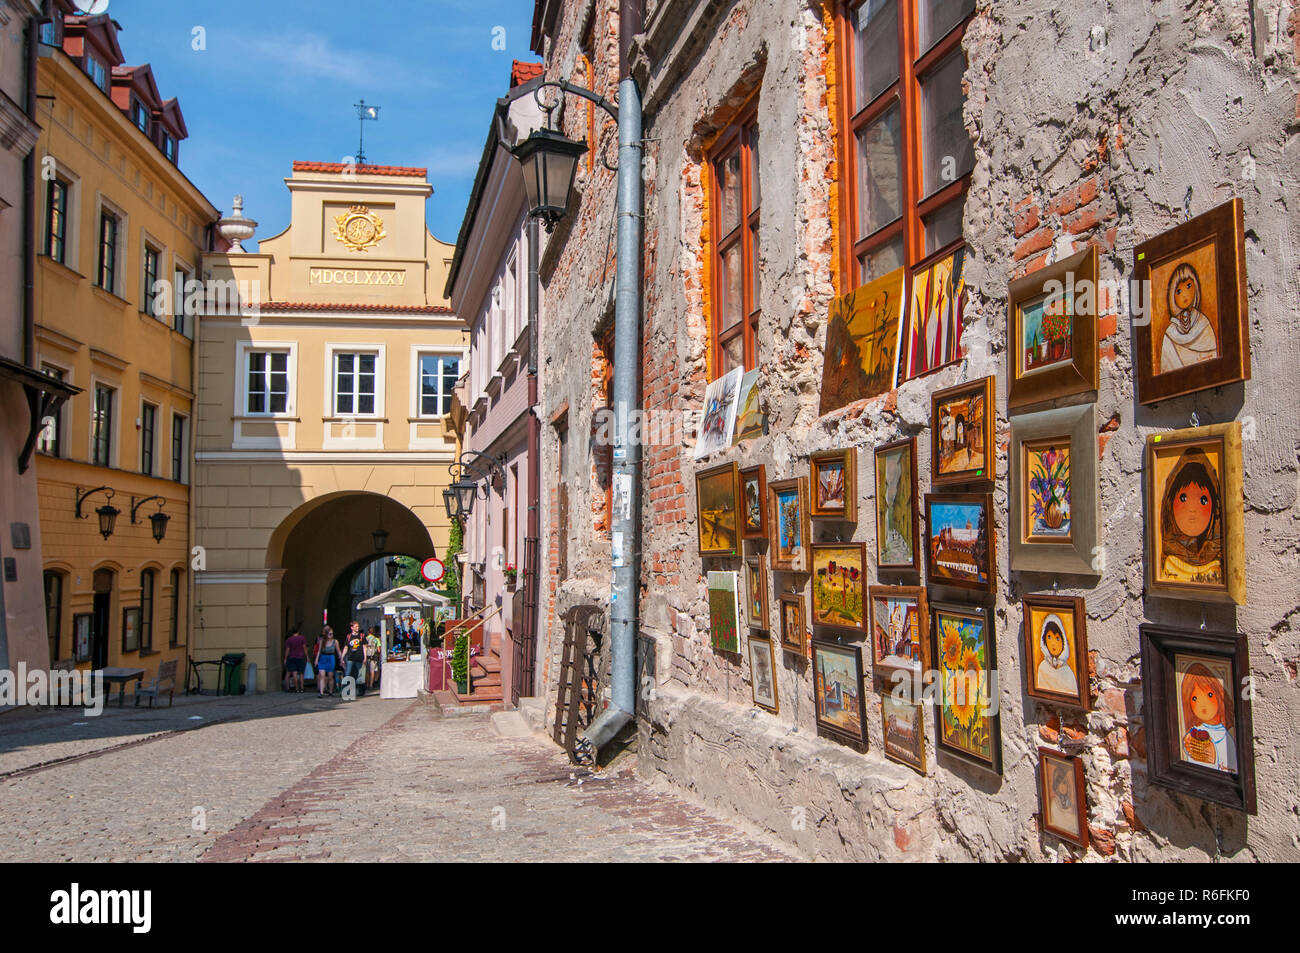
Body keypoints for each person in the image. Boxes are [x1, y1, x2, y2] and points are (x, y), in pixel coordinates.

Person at [315, 625, 340, 696]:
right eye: (329, 634)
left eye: (332, 634)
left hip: (331, 657)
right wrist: (316, 659)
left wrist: (341, 659)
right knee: (322, 675)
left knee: (330, 676)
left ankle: (330, 691)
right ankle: (321, 692)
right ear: (326, 634)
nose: (331, 635)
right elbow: (319, 651)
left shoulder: (335, 642)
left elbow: (338, 651)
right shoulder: (322, 641)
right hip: (323, 658)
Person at [343, 621, 366, 695]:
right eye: (356, 626)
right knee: (348, 673)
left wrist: (365, 657)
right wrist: (342, 657)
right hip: (350, 657)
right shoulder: (349, 636)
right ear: (352, 628)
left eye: (358, 626)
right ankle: (345, 690)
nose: (357, 628)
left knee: (359, 674)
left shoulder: (362, 636)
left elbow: (364, 647)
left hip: (359, 657)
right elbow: (346, 647)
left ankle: (360, 691)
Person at [283, 626, 307, 693]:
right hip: (300, 657)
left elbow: (287, 650)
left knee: (294, 673)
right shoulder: (302, 638)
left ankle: (296, 689)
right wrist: (307, 656)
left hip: (291, 657)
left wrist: (285, 658)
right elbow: (304, 648)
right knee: (301, 673)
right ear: (298, 632)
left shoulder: (289, 640)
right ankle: (302, 688)